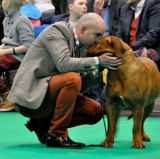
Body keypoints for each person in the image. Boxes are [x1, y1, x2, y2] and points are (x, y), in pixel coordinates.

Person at [7, 13, 121, 148]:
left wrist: (97, 70)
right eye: (97, 35)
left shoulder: (84, 47)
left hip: (48, 96)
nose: (98, 40)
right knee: (72, 79)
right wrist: (97, 61)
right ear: (83, 29)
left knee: (95, 112)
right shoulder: (57, 31)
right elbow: (64, 64)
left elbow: (79, 87)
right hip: (30, 98)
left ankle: (41, 124)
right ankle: (57, 134)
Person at [84, 0, 126, 106]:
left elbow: (119, 31)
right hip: (95, 43)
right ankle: (96, 99)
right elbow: (87, 31)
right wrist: (97, 15)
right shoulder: (89, 4)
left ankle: (112, 98)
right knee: (91, 54)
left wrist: (108, 47)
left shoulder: (121, 4)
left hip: (113, 45)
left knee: (112, 58)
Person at [0, 0, 34, 111]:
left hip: (19, 56)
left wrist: (5, 51)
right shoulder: (6, 19)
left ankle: (8, 96)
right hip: (7, 52)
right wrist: (1, 48)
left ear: (8, 4)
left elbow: (28, 46)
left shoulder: (22, 21)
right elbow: (7, 40)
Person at [116, 0, 160, 70]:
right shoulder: (124, 8)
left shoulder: (154, 4)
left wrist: (131, 49)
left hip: (148, 53)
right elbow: (119, 35)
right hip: (129, 54)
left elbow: (153, 34)